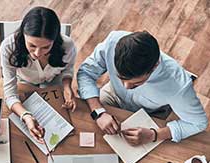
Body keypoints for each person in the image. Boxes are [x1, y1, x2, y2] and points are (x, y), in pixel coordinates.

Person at [77, 30, 208, 146]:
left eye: (136, 83)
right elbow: (86, 72)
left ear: (155, 66)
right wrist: (98, 111)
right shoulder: (113, 42)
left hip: (150, 112)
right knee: (87, 131)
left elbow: (198, 123)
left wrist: (154, 135)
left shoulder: (178, 86)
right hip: (113, 94)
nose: (126, 87)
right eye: (121, 78)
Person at [0, 6, 77, 143]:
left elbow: (68, 70)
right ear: (23, 35)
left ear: (55, 40)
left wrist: (67, 87)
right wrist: (26, 116)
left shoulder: (68, 46)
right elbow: (10, 93)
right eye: (32, 45)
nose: (37, 53)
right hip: (25, 83)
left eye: (46, 47)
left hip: (55, 82)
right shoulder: (8, 48)